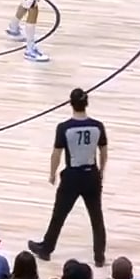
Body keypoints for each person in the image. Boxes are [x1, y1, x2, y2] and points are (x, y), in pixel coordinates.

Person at [28, 88, 108, 267]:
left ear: (71, 104)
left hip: (72, 176)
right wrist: (102, 170)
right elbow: (103, 151)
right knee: (96, 217)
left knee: (59, 214)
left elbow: (56, 154)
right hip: (92, 175)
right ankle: (99, 256)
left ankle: (46, 249)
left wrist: (52, 173)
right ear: (86, 103)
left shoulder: (64, 128)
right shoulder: (97, 126)